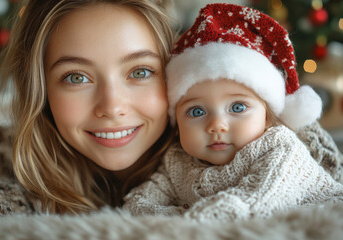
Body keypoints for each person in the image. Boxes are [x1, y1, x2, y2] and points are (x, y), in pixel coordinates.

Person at [123, 3, 343, 222]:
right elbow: (138, 204)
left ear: (267, 117)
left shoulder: (280, 149)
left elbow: (252, 204)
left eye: (237, 107)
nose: (217, 125)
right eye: (197, 111)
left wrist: (186, 218)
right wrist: (174, 216)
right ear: (177, 123)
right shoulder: (176, 162)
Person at [0, 0, 175, 215]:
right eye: (76, 78)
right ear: (40, 90)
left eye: (140, 72)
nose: (112, 108)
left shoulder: (214, 164)